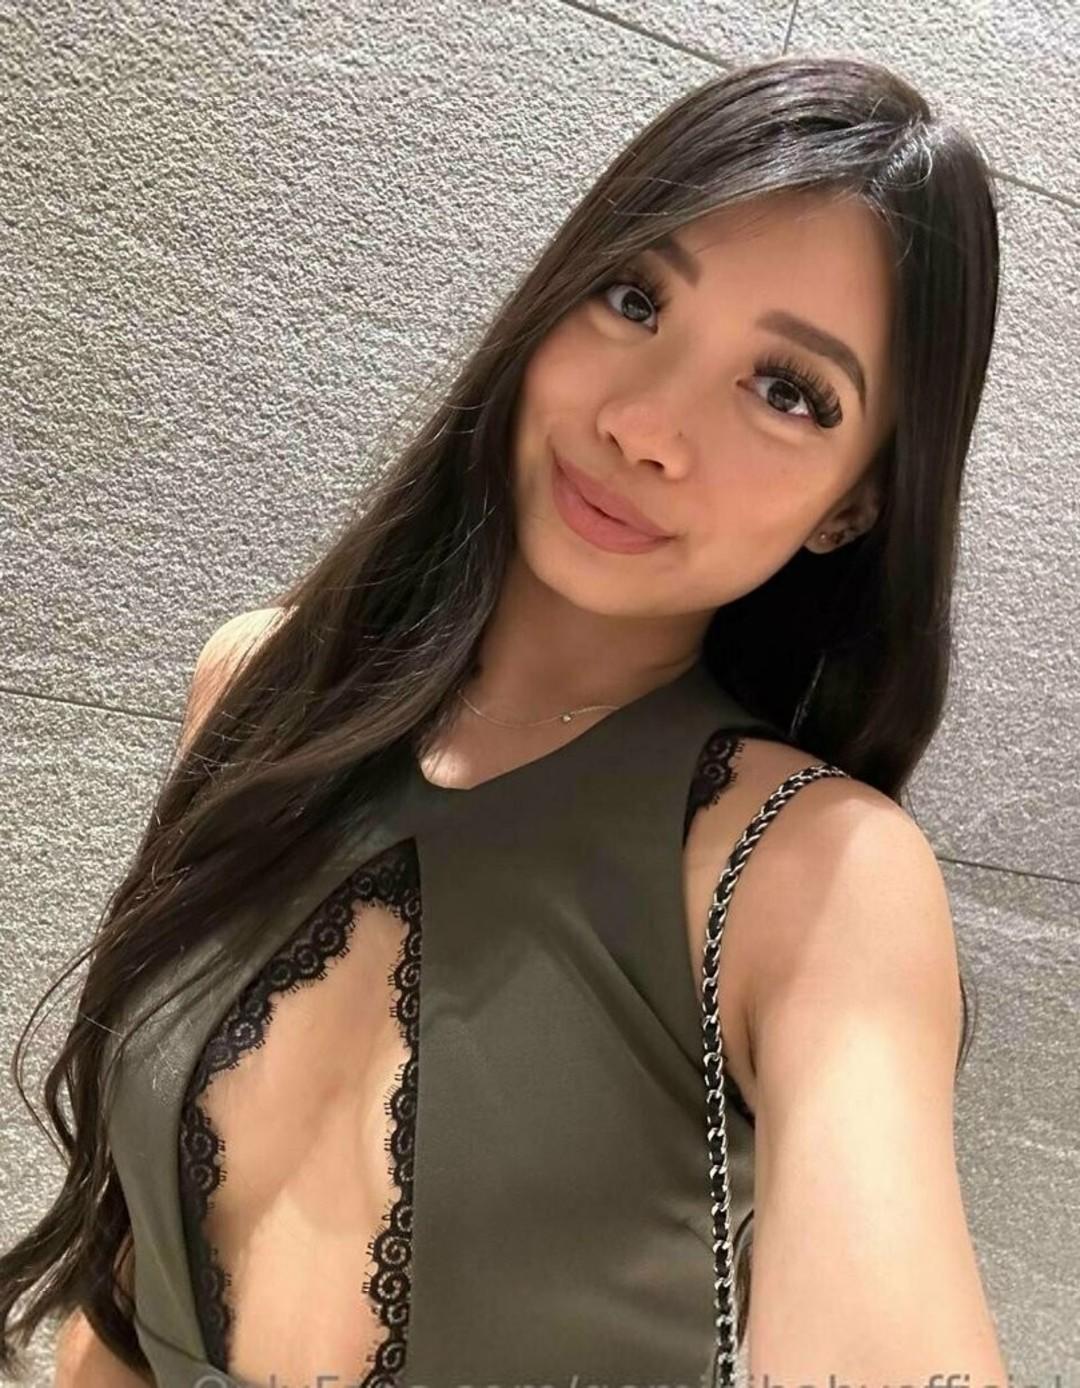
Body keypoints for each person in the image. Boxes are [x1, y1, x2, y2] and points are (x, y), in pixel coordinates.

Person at [1, 50, 1008, 1388]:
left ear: (856, 505)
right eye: (635, 297)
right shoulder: (256, 693)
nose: (645, 426)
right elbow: (127, 1293)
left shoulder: (810, 876)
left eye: (787, 392)